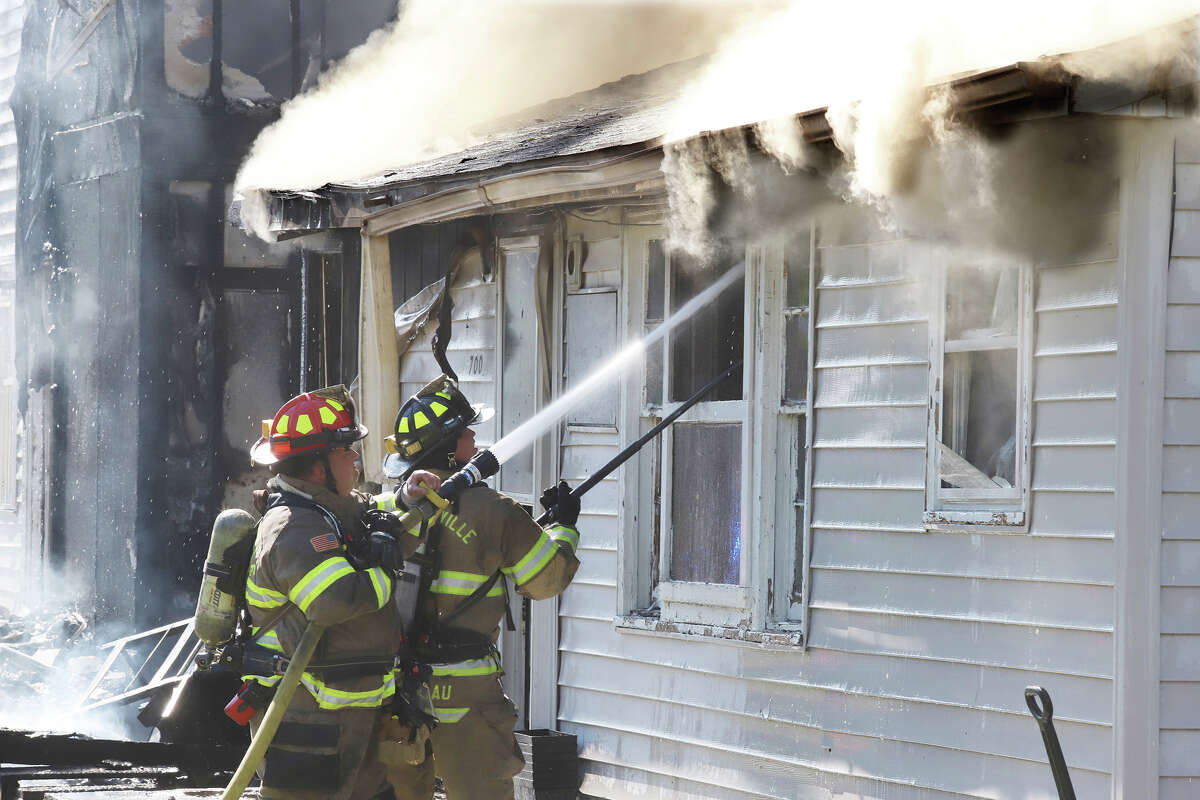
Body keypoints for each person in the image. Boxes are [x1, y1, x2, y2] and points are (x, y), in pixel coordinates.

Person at [382, 376, 581, 800]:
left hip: (394, 690)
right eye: (466, 432)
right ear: (451, 447)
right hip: (467, 694)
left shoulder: (387, 507)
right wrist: (563, 527)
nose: (475, 439)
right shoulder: (494, 511)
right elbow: (546, 580)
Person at [241, 384, 441, 800]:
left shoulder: (331, 510)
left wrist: (408, 496)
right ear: (318, 467)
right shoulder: (293, 528)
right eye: (345, 451)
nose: (355, 458)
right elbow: (336, 601)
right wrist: (388, 563)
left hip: (357, 716)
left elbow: (371, 516)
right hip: (307, 723)